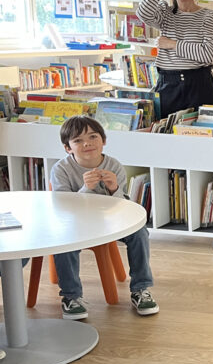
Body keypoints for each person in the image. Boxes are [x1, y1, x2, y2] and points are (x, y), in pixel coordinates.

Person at [50, 116, 159, 320]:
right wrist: (86, 189)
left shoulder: (113, 165)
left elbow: (123, 206)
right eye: (78, 140)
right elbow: (64, 208)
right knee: (62, 241)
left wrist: (114, 188)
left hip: (110, 221)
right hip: (75, 224)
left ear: (104, 140)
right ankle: (71, 296)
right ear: (68, 148)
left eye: (93, 137)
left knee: (140, 233)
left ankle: (141, 289)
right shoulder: (60, 170)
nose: (87, 143)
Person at [137, 0, 213, 118]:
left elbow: (208, 54)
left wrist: (171, 44)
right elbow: (142, 13)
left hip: (200, 85)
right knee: (165, 132)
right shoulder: (165, 13)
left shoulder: (211, 16)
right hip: (168, 85)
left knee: (206, 132)